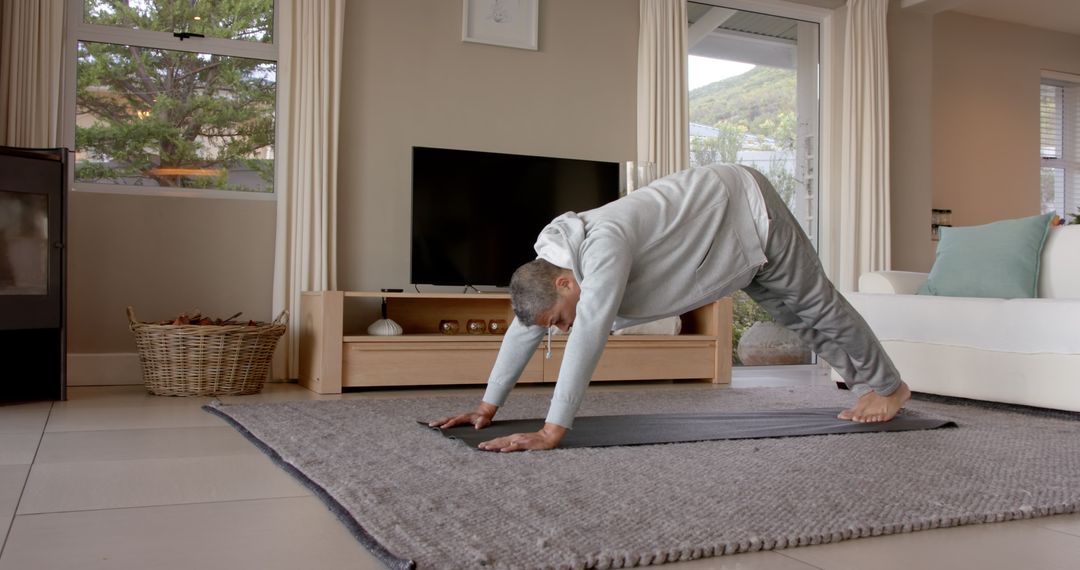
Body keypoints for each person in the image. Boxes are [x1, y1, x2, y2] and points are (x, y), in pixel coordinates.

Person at [430, 163, 910, 452]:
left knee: (814, 304)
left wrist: (553, 430)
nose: (562, 327)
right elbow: (524, 330)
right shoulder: (547, 271)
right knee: (790, 316)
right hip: (724, 245)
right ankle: (866, 386)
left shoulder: (601, 247)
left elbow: (588, 335)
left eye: (559, 318)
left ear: (565, 282)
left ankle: (889, 386)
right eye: (555, 325)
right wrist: (486, 407)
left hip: (747, 210)